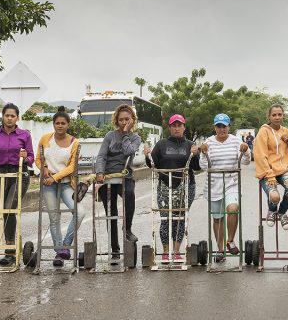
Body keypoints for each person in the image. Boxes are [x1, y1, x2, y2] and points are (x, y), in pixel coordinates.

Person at [145, 114, 202, 262]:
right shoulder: (161, 144)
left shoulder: (190, 144)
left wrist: (196, 155)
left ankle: (176, 251)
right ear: (170, 128)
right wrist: (147, 156)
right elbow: (152, 164)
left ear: (184, 127)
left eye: (179, 125)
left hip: (186, 186)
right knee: (166, 219)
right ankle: (165, 252)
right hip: (165, 185)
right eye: (174, 126)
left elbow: (196, 167)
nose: (177, 128)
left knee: (180, 218)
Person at [36, 107, 86, 267]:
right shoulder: (45, 139)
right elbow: (38, 159)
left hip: (65, 183)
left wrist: (55, 177)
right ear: (53, 124)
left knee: (80, 212)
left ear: (68, 124)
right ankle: (60, 251)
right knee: (54, 217)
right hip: (48, 183)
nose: (59, 126)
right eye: (57, 123)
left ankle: (66, 244)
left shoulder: (75, 142)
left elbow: (72, 166)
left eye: (63, 123)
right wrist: (44, 169)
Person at [199, 113, 251, 262]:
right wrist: (203, 153)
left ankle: (230, 241)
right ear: (215, 127)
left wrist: (246, 149)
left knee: (233, 209)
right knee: (218, 219)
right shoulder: (208, 142)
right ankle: (220, 249)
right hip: (214, 184)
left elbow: (246, 162)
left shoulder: (235, 141)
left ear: (229, 127)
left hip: (231, 183)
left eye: (224, 126)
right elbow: (203, 166)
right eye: (219, 126)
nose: (222, 129)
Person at [0, 103, 33, 266]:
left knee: (9, 207)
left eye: (13, 116)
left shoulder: (24, 135)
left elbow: (31, 157)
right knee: (4, 210)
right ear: (3, 117)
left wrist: (25, 156)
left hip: (20, 172)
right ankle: (11, 245)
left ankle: (10, 251)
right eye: (7, 115)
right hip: (2, 173)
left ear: (17, 118)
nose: (10, 118)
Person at [95, 104, 143, 258]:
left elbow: (129, 151)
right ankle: (114, 248)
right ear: (116, 120)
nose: (123, 122)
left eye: (127, 119)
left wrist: (125, 134)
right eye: (121, 120)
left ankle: (127, 229)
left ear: (132, 120)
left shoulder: (135, 137)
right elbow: (102, 156)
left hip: (125, 176)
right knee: (112, 213)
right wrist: (100, 172)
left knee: (130, 195)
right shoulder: (109, 136)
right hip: (108, 177)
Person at [253, 104, 288, 229]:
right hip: (267, 171)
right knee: (275, 196)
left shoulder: (286, 131)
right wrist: (270, 175)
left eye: (279, 114)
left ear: (283, 116)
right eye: (274, 115)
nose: (277, 117)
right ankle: (272, 210)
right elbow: (260, 155)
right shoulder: (263, 131)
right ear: (269, 117)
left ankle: (281, 213)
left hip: (283, 170)